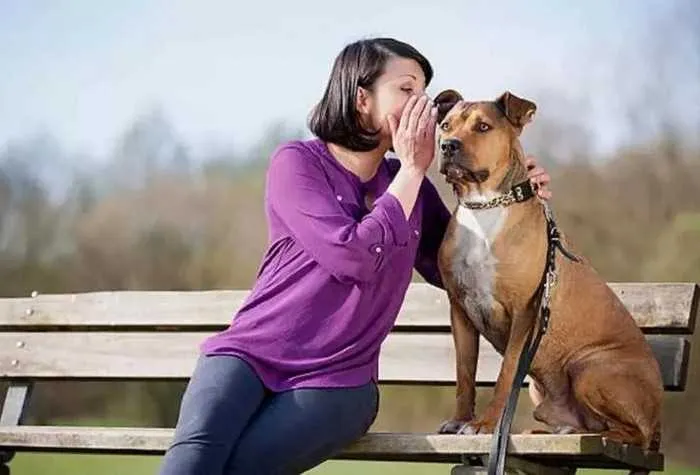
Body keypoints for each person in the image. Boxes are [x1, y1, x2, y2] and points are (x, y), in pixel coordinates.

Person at [157, 37, 552, 475]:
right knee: (190, 466)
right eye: (406, 90)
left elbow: (463, 268)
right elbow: (353, 257)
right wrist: (413, 171)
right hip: (247, 357)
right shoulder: (297, 163)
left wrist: (509, 194)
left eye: (423, 92)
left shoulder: (410, 188)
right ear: (362, 99)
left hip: (340, 383)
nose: (421, 104)